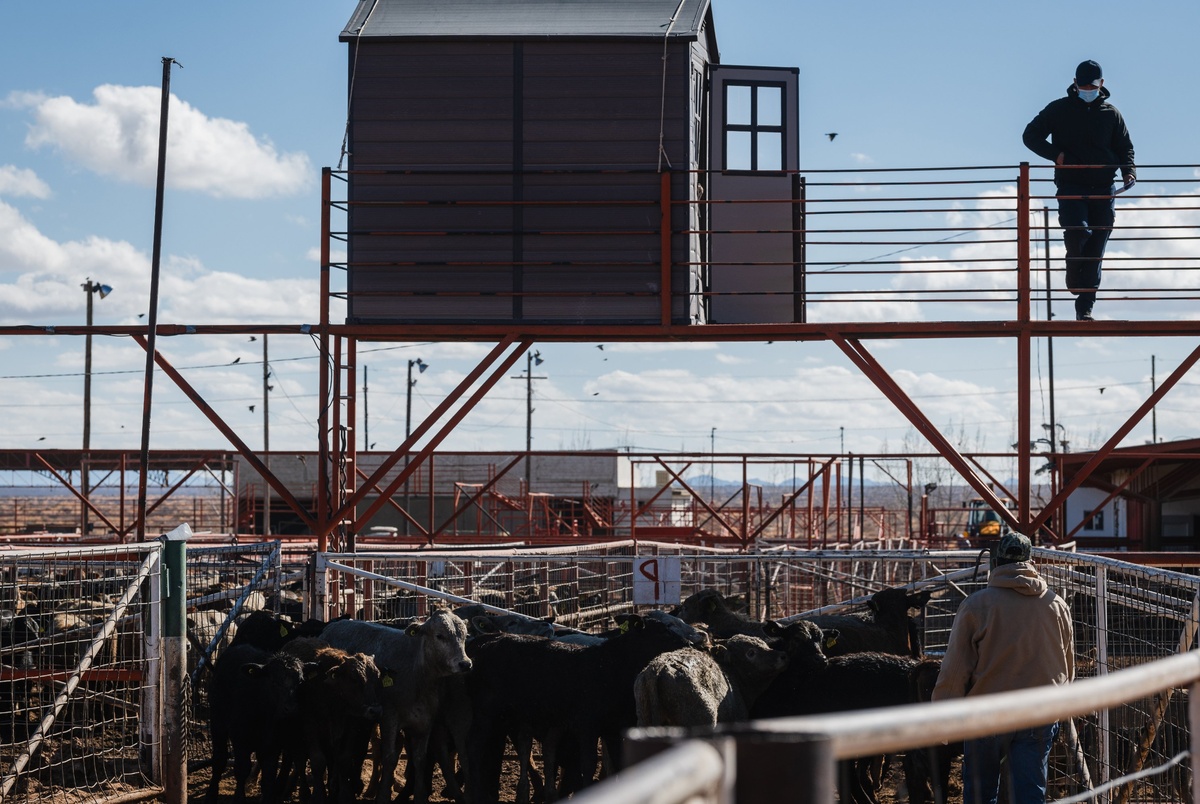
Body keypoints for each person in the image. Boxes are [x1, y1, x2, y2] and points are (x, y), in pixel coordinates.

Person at [932, 532, 1074, 804]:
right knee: (1031, 793)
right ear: (1031, 561)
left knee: (981, 794)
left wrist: (942, 718)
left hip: (987, 713)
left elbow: (955, 669)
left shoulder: (977, 606)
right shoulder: (1056, 605)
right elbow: (1066, 665)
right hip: (1039, 712)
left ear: (996, 561)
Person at [1023, 59, 1136, 321]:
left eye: (1092, 85)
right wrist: (1056, 155)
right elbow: (1030, 135)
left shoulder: (1111, 113)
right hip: (1071, 184)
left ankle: (1084, 308)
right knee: (1078, 232)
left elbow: (1125, 147)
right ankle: (1074, 276)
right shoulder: (1058, 110)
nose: (1088, 89)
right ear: (1074, 83)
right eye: (1083, 85)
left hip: (1104, 188)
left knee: (1096, 249)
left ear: (1101, 84)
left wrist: (1129, 172)